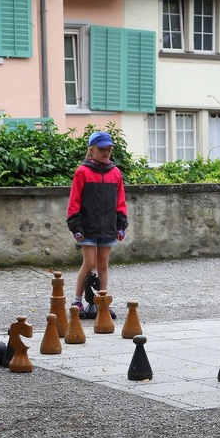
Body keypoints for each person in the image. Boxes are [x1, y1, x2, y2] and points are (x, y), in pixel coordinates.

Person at [66, 131, 128, 319]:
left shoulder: (115, 173)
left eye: (108, 149)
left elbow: (121, 201)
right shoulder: (82, 172)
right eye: (102, 149)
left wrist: (121, 224)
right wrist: (76, 226)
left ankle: (102, 301)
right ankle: (77, 300)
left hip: (108, 226)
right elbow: (74, 201)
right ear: (91, 150)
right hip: (88, 227)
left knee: (103, 264)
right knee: (89, 262)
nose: (106, 152)